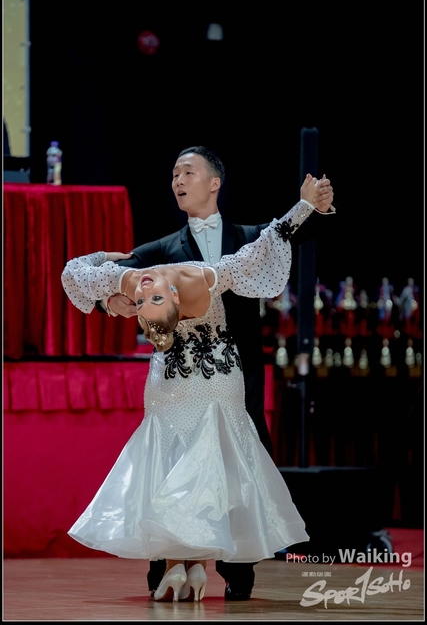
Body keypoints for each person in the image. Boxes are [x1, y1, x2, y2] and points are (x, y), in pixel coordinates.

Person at [61, 171, 333, 603]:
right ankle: (181, 566)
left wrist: (109, 282)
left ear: (214, 181)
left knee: (204, 464)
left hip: (215, 378)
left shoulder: (154, 278)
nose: (144, 291)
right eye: (147, 300)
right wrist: (111, 299)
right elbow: (270, 241)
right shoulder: (188, 273)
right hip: (181, 380)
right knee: (181, 464)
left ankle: (195, 567)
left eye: (146, 299)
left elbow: (75, 271)